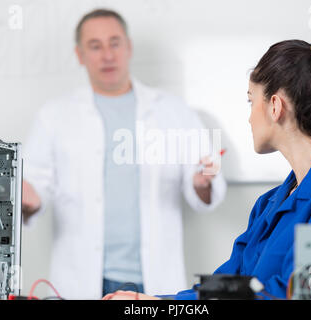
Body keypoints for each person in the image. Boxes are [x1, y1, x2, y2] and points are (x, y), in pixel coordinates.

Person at [103, 35, 311, 300]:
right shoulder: (271, 203)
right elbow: (227, 286)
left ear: (275, 106)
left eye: (251, 101)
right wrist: (149, 301)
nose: (250, 118)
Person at [21, 9, 227, 299]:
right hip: (80, 280)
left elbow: (205, 185)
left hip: (156, 281)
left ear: (128, 47)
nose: (107, 55)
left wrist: (202, 183)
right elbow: (34, 190)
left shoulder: (174, 111)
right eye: (95, 46)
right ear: (80, 55)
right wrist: (24, 197)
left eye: (114, 42)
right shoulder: (54, 116)